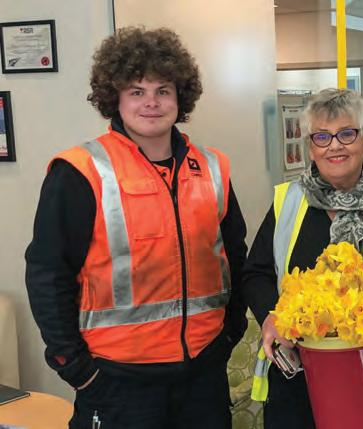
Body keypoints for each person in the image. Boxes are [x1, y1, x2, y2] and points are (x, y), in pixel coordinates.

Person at [25, 27, 247, 429]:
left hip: (203, 374)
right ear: (116, 98)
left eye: (163, 90)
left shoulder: (212, 167)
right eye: (137, 91)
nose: (151, 103)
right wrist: (75, 367)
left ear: (181, 97)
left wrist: (232, 331)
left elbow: (235, 255)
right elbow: (48, 273)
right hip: (117, 381)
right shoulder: (81, 171)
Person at [242, 88, 363, 429]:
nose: (335, 146)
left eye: (347, 133)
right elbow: (256, 273)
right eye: (322, 136)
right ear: (310, 147)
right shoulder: (288, 201)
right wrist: (269, 318)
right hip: (299, 378)